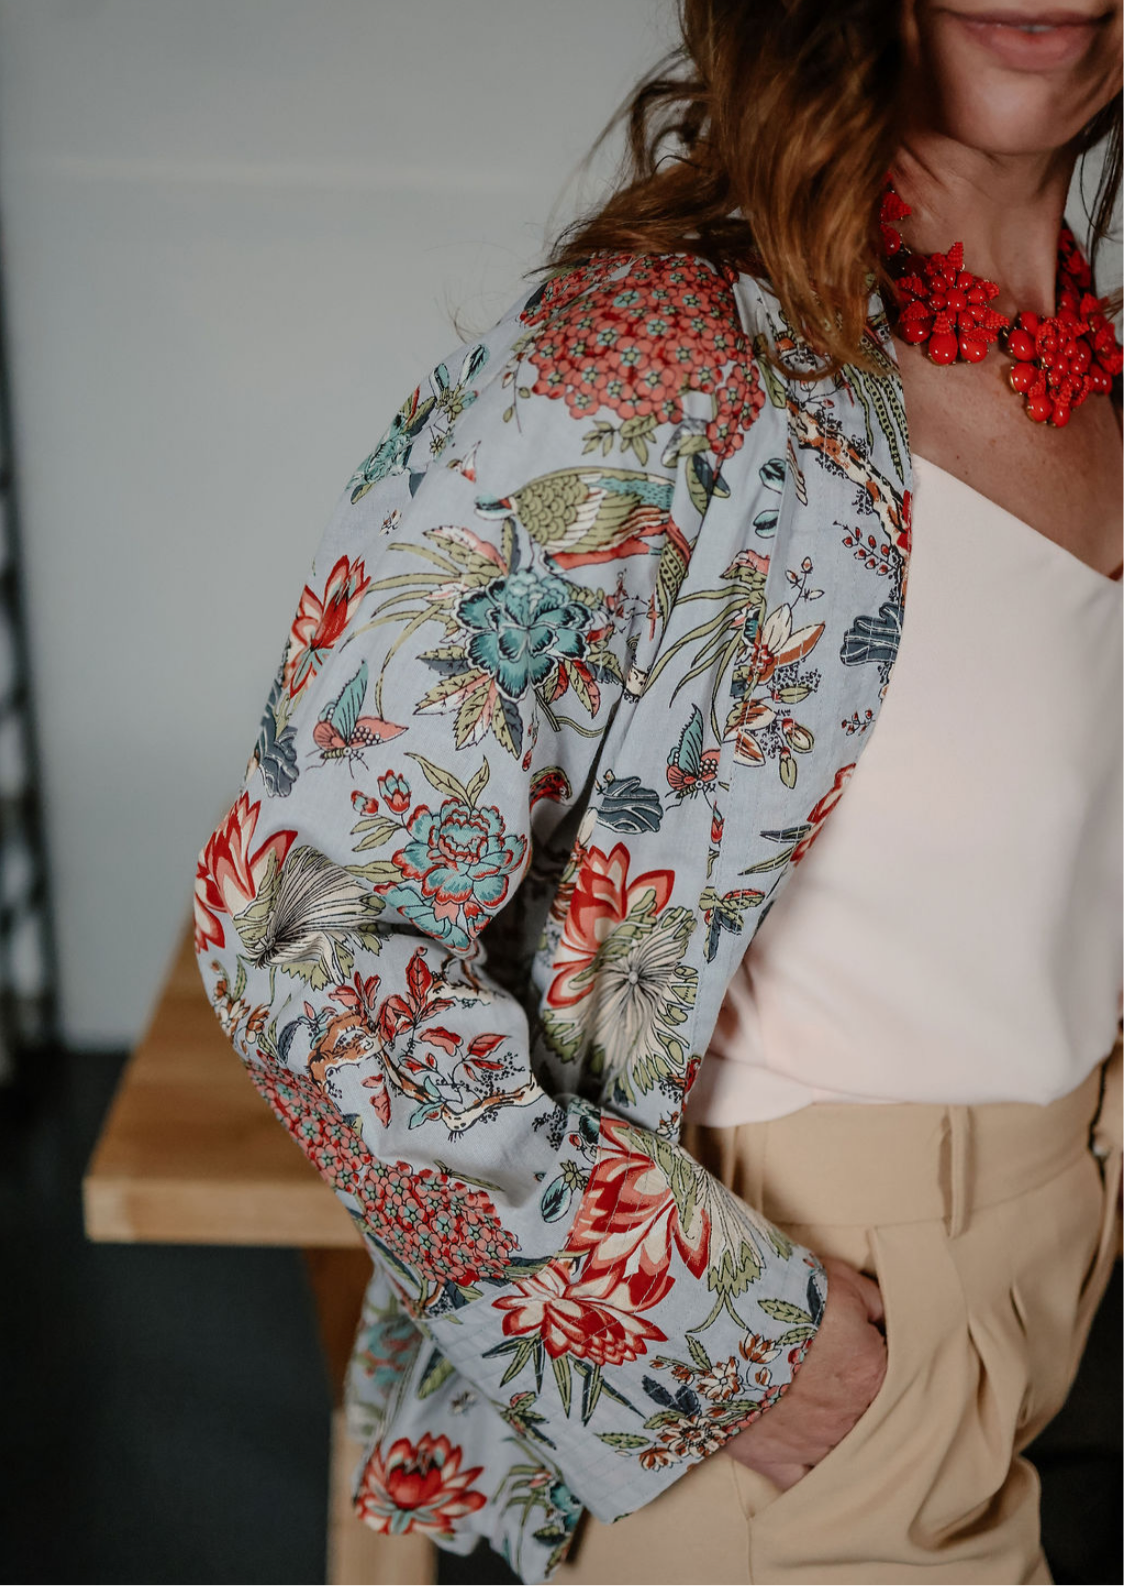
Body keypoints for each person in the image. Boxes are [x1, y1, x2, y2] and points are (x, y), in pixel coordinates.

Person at [191, 2, 1124, 1581]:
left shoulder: (1092, 379)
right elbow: (304, 934)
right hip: (814, 1357)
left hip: (1050, 1314)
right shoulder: (654, 365)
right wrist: (715, 1333)